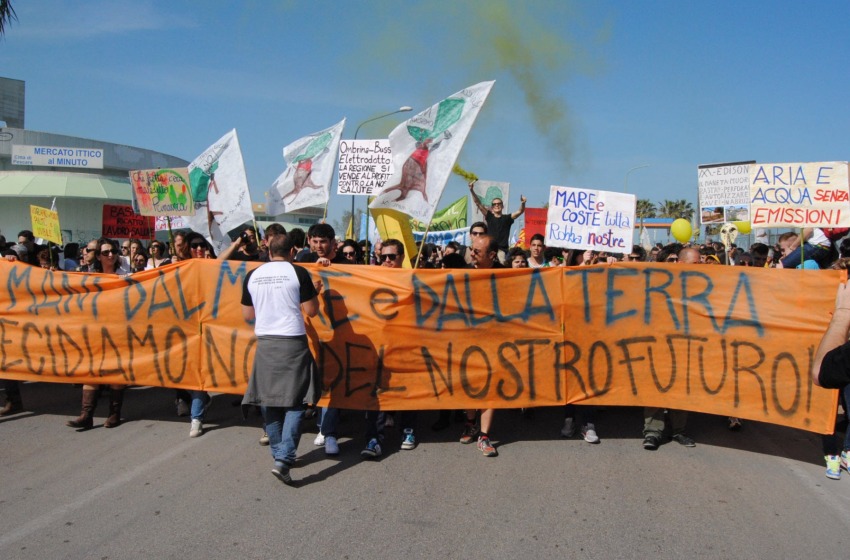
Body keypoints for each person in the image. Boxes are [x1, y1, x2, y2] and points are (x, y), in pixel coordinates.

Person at [241, 234, 319, 485]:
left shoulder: (252, 275)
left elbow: (247, 315)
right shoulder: (299, 273)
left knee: (270, 401)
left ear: (268, 250)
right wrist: (314, 293)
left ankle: (279, 454)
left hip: (265, 344)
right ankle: (284, 459)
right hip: (292, 343)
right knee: (295, 402)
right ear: (293, 251)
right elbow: (312, 311)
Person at [360, 239, 419, 458]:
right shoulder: (371, 277)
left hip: (406, 346)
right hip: (379, 347)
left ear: (401, 257)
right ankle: (374, 439)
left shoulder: (413, 280)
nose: (386, 261)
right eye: (382, 257)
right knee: (377, 394)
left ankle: (408, 431)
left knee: (408, 390)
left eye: (391, 257)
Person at [66, 238, 128, 430]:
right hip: (93, 331)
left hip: (119, 330)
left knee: (116, 373)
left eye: (114, 251)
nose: (111, 255)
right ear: (99, 256)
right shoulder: (87, 275)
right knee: (91, 372)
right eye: (106, 252)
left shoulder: (126, 274)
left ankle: (114, 413)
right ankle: (86, 415)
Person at [642, 246, 698, 450]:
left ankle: (679, 431)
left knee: (681, 388)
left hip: (686, 344)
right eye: (695, 264)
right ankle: (652, 432)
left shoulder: (700, 284)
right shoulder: (658, 280)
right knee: (656, 387)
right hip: (658, 343)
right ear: (682, 264)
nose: (700, 267)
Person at [459, 234, 503, 456]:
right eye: (471, 249)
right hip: (466, 339)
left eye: (477, 250)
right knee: (469, 384)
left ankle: (484, 435)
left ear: (492, 255)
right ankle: (470, 422)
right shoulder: (462, 273)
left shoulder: (507, 276)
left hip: (493, 340)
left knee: (489, 386)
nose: (472, 253)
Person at [468, 182, 526, 261]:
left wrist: (523, 203)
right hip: (490, 250)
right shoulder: (489, 217)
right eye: (494, 204)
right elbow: (478, 203)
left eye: (499, 204)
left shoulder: (507, 218)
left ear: (502, 206)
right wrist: (471, 190)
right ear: (491, 207)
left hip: (502, 251)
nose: (497, 205)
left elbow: (520, 211)